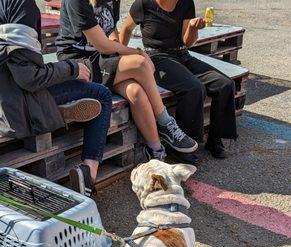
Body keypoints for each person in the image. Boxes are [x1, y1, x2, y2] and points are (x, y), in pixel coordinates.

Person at [55, 0, 198, 162]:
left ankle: (156, 152)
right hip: (78, 64)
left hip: (101, 59)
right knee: (140, 62)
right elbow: (102, 45)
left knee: (136, 92)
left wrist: (119, 50)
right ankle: (166, 122)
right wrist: (137, 52)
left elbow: (111, 30)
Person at [0, 0, 113, 196]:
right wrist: (72, 68)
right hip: (17, 106)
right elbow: (30, 77)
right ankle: (88, 174)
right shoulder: (20, 5)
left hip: (7, 96)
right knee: (101, 94)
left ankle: (58, 110)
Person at [120, 0, 238, 159]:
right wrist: (121, 56)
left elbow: (187, 42)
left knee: (225, 84)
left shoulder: (186, 2)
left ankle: (215, 140)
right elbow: (126, 29)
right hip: (156, 58)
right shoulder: (143, 3)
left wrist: (193, 28)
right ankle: (182, 148)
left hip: (182, 54)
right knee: (193, 87)